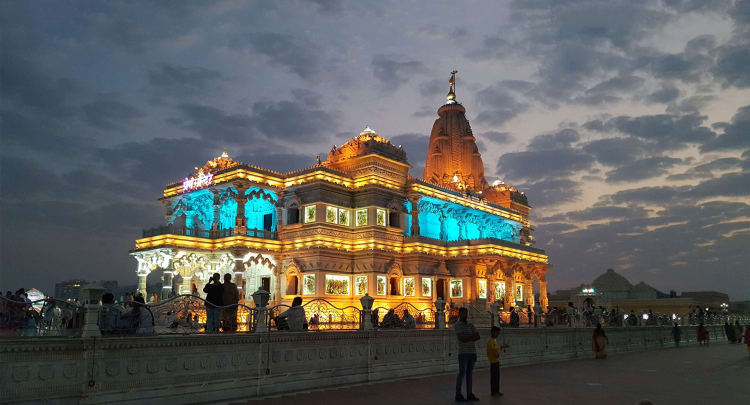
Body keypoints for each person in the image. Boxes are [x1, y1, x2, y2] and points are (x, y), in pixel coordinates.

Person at [454, 307, 480, 402]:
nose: (465, 315)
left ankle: (469, 394)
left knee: (469, 374)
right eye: (463, 313)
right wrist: (471, 337)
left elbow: (478, 336)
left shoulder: (471, 324)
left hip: (472, 352)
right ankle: (458, 394)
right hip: (463, 353)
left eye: (466, 313)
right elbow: (461, 338)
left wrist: (467, 337)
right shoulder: (457, 325)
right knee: (461, 374)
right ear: (459, 314)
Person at [487, 326, 509, 397]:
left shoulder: (494, 340)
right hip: (493, 361)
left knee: (497, 377)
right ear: (493, 332)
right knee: (494, 378)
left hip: (496, 360)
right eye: (497, 333)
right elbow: (493, 349)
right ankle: (494, 392)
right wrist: (502, 347)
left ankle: (496, 391)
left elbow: (495, 349)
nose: (498, 335)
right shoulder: (490, 341)